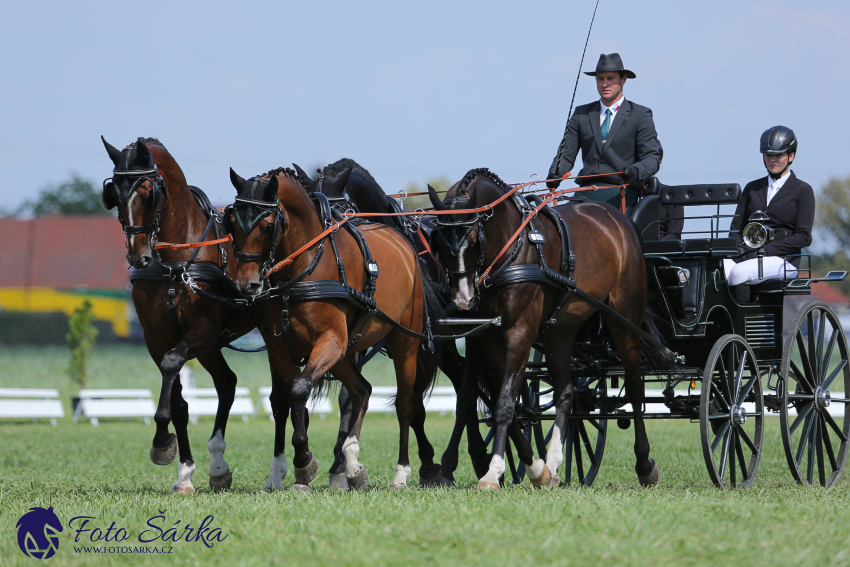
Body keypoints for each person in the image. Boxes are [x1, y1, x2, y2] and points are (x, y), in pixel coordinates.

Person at [547, 53, 661, 213]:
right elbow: (565, 155)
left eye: (610, 78)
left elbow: (652, 158)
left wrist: (635, 170)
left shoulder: (640, 115)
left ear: (623, 80)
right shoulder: (581, 114)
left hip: (620, 192)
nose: (605, 84)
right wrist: (555, 174)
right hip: (584, 192)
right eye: (600, 79)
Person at [725, 126, 815, 285]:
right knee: (717, 269)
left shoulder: (803, 190)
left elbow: (803, 237)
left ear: (791, 156)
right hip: (747, 256)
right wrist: (739, 251)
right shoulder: (752, 188)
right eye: (768, 155)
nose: (772, 159)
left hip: (783, 260)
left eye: (778, 155)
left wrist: (766, 251)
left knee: (738, 273)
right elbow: (735, 230)